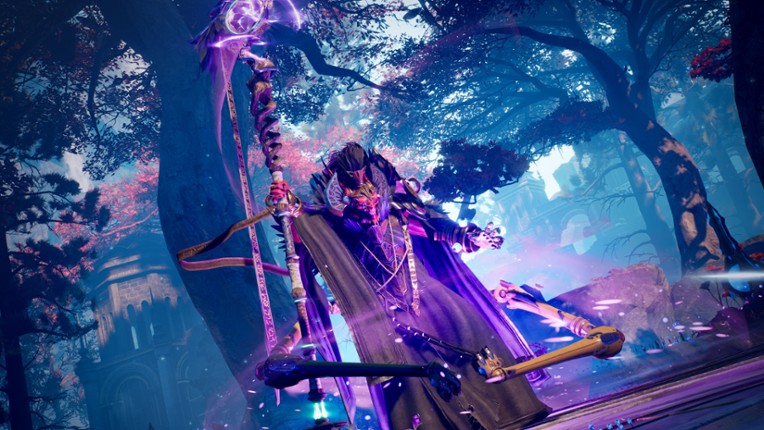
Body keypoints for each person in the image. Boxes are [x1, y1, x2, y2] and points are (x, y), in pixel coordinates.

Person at [272, 142, 549, 429]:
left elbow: (438, 228)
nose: (368, 203)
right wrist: (289, 207)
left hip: (430, 298)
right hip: (387, 318)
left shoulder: (398, 212)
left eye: (370, 191)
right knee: (410, 382)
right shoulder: (337, 231)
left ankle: (507, 412)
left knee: (471, 340)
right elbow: (308, 235)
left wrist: (472, 237)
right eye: (357, 197)